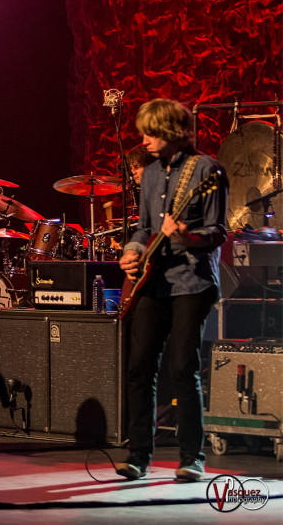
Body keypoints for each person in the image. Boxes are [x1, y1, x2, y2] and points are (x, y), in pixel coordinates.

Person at [116, 99, 228, 483]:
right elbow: (143, 228)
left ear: (172, 132)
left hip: (192, 281)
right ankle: (138, 455)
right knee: (138, 366)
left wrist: (186, 236)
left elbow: (217, 233)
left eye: (150, 132)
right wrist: (132, 252)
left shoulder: (208, 171)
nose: (143, 139)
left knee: (182, 366)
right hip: (153, 279)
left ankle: (192, 456)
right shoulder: (148, 175)